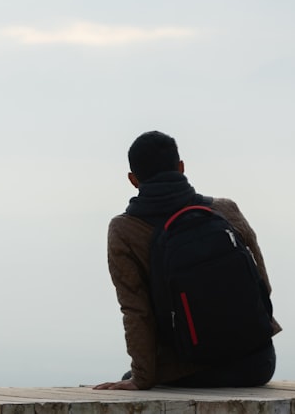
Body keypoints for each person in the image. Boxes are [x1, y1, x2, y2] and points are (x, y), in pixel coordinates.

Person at [93, 130, 281, 390]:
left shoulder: (125, 231)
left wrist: (141, 379)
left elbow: (137, 311)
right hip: (257, 364)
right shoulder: (225, 210)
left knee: (131, 379)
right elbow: (262, 285)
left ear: (133, 179)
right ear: (181, 168)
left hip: (186, 368)